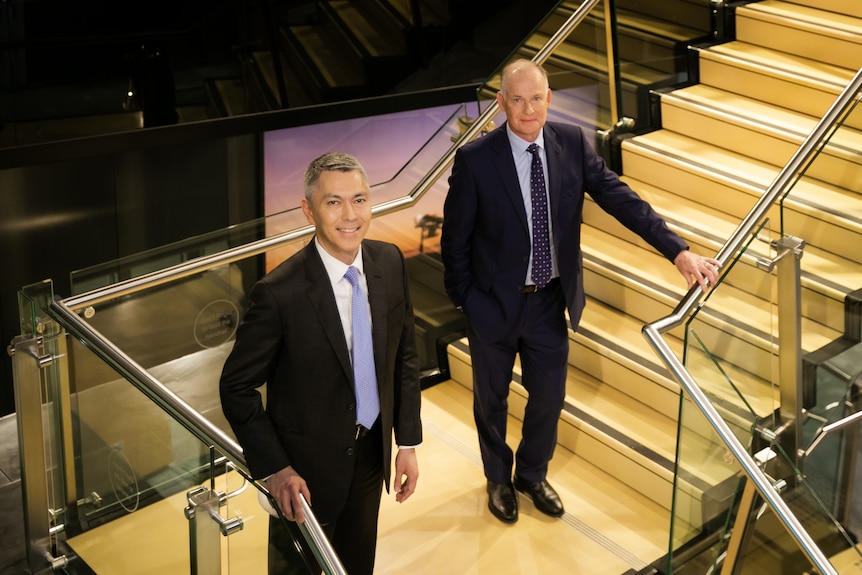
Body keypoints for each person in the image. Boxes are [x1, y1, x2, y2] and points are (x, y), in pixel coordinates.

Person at [440, 58, 720, 524]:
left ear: (549, 98)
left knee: (549, 397)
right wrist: (467, 299)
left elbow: (621, 199)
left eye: (536, 98)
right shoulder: (475, 161)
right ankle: (497, 478)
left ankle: (531, 473)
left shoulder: (570, 143)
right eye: (517, 99)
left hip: (550, 301)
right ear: (501, 103)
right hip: (492, 305)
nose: (528, 109)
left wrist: (678, 252)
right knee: (491, 401)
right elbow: (455, 242)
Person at [219, 151, 422, 574]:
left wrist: (407, 442)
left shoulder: (389, 262)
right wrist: (276, 468)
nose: (350, 215)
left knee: (355, 566)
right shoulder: (278, 293)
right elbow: (235, 388)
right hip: (303, 477)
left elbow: (403, 354)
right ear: (308, 210)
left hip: (370, 456)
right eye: (334, 202)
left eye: (360, 199)